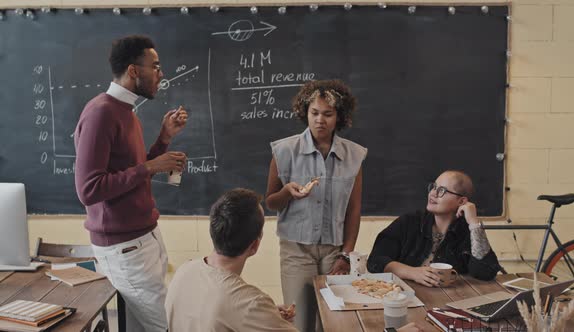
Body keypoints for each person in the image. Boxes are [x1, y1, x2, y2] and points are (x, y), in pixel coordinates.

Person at [74, 35, 188, 332]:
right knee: (168, 326)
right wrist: (151, 166)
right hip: (125, 249)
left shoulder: (126, 113)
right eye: (156, 66)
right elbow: (88, 189)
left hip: (143, 240)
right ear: (134, 71)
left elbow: (132, 171)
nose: (161, 74)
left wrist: (164, 139)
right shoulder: (101, 113)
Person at [265, 80, 367, 331]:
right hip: (296, 250)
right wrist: (287, 192)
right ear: (305, 112)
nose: (320, 120)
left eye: (327, 114)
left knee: (332, 320)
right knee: (301, 320)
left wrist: (346, 254)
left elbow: (354, 209)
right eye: (314, 113)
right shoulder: (284, 151)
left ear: (339, 117)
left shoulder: (353, 156)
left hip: (335, 252)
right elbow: (269, 202)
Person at [165, 188, 297, 331]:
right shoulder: (250, 304)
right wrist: (263, 314)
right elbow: (239, 308)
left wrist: (265, 316)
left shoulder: (186, 270)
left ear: (213, 230)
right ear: (254, 245)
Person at [367, 170, 502, 286]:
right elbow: (375, 260)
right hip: (404, 296)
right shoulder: (409, 222)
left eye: (442, 190)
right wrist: (411, 272)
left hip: (450, 299)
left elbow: (486, 273)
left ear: (461, 201)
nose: (433, 194)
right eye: (433, 187)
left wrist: (474, 224)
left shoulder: (467, 231)